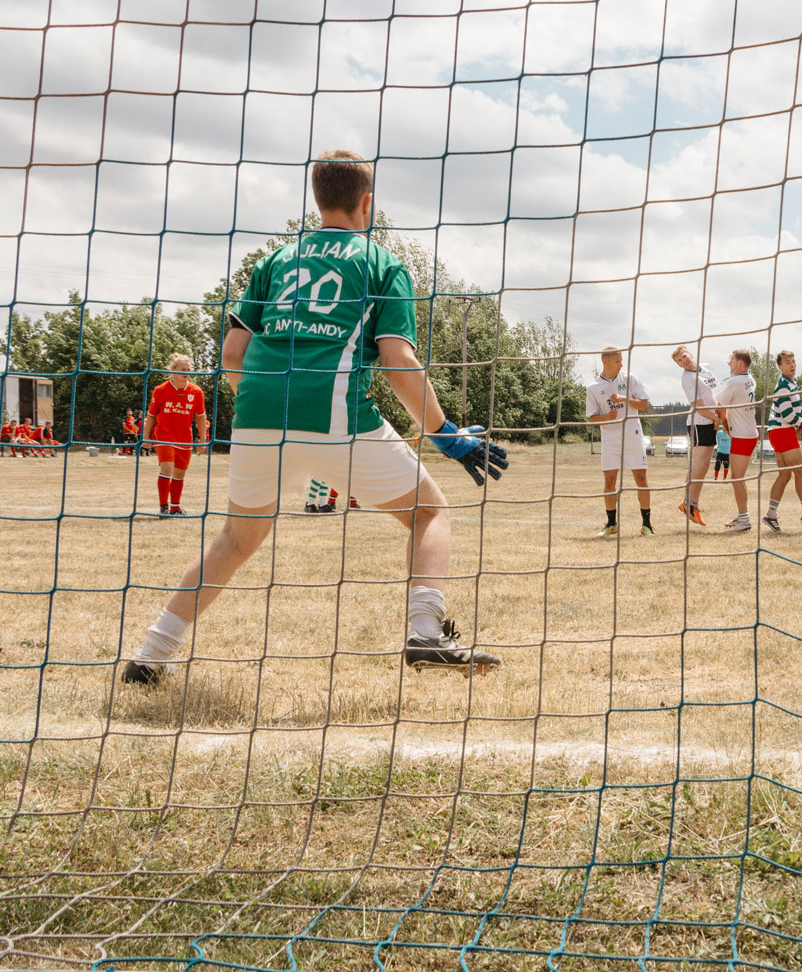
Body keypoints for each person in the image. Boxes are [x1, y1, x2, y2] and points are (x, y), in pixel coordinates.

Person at [121, 149, 509, 685]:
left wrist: (265, 407)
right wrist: (442, 431)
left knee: (235, 540)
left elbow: (232, 355)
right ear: (367, 202)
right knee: (430, 512)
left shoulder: (273, 262)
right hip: (336, 415)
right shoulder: (382, 264)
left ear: (317, 198)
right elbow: (397, 361)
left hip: (257, 414)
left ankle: (151, 655)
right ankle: (424, 633)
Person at [586, 346, 653, 537]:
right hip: (610, 440)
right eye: (618, 361)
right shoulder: (593, 387)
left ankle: (647, 524)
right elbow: (592, 418)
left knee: (641, 478)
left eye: (622, 361)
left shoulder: (630, 378)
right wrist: (607, 417)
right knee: (609, 481)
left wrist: (625, 399)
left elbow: (645, 405)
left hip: (632, 435)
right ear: (606, 361)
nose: (621, 364)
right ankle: (611, 524)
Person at [762, 349, 802, 532]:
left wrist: (797, 424)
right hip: (781, 431)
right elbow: (787, 414)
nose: (792, 364)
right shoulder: (783, 385)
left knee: (785, 474)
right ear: (780, 367)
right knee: (801, 472)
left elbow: (788, 412)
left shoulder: (791, 383)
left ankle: (771, 515)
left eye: (793, 361)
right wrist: (800, 422)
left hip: (779, 430)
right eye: (787, 362)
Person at [143, 354, 210, 516]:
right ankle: (163, 507)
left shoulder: (196, 392)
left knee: (179, 473)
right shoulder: (160, 390)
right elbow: (151, 415)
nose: (186, 372)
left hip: (184, 438)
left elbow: (200, 417)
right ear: (173, 370)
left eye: (188, 369)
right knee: (167, 467)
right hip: (163, 436)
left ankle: (175, 508)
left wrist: (202, 440)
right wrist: (145, 438)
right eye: (182, 369)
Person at [671, 345, 724, 526]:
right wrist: (715, 418)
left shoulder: (708, 368)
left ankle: (692, 504)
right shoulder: (687, 378)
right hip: (699, 422)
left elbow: (716, 394)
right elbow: (697, 404)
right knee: (699, 465)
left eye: (684, 356)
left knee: (703, 466)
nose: (684, 361)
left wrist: (719, 416)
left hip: (712, 420)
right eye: (679, 360)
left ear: (690, 354)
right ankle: (688, 503)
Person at [715, 348, 758, 532]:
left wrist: (724, 423)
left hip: (742, 435)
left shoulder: (735, 381)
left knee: (737, 478)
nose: (729, 363)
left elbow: (719, 404)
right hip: (749, 433)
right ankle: (741, 515)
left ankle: (744, 520)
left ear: (740, 363)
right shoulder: (750, 378)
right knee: (736, 477)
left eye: (732, 360)